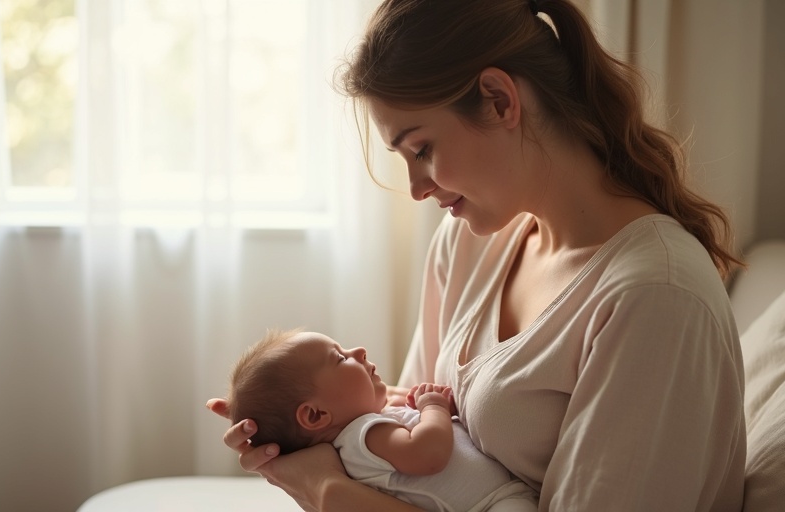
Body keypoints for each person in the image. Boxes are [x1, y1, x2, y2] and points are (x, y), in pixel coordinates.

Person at [206, 0, 747, 510]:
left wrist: (329, 492)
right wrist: (290, 433)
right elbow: (406, 421)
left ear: (499, 100)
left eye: (422, 149)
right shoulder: (466, 242)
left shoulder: (654, 298)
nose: (417, 187)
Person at [225, 328, 538, 512]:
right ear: (315, 414)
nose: (358, 351)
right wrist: (434, 408)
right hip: (492, 505)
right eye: (339, 357)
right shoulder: (364, 435)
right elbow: (426, 455)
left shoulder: (365, 433)